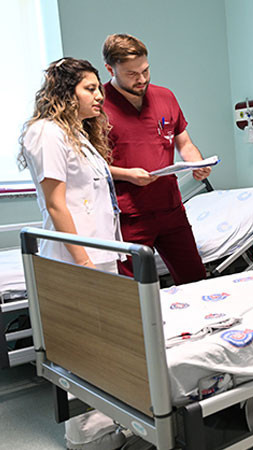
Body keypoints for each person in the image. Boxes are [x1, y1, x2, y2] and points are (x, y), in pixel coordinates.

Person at [19, 57, 125, 450]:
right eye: (90, 88)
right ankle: (85, 438)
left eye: (98, 88)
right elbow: (56, 204)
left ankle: (107, 426)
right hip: (75, 258)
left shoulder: (76, 134)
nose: (100, 96)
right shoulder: (47, 132)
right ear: (66, 92)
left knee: (103, 345)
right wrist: (83, 262)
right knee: (81, 349)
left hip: (99, 253)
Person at [101, 33, 209, 285]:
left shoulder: (165, 97)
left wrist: (197, 163)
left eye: (145, 70)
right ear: (110, 69)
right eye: (131, 74)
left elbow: (184, 143)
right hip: (129, 214)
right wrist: (127, 175)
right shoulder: (99, 106)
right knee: (133, 288)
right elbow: (90, 165)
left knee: (195, 278)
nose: (142, 79)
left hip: (171, 208)